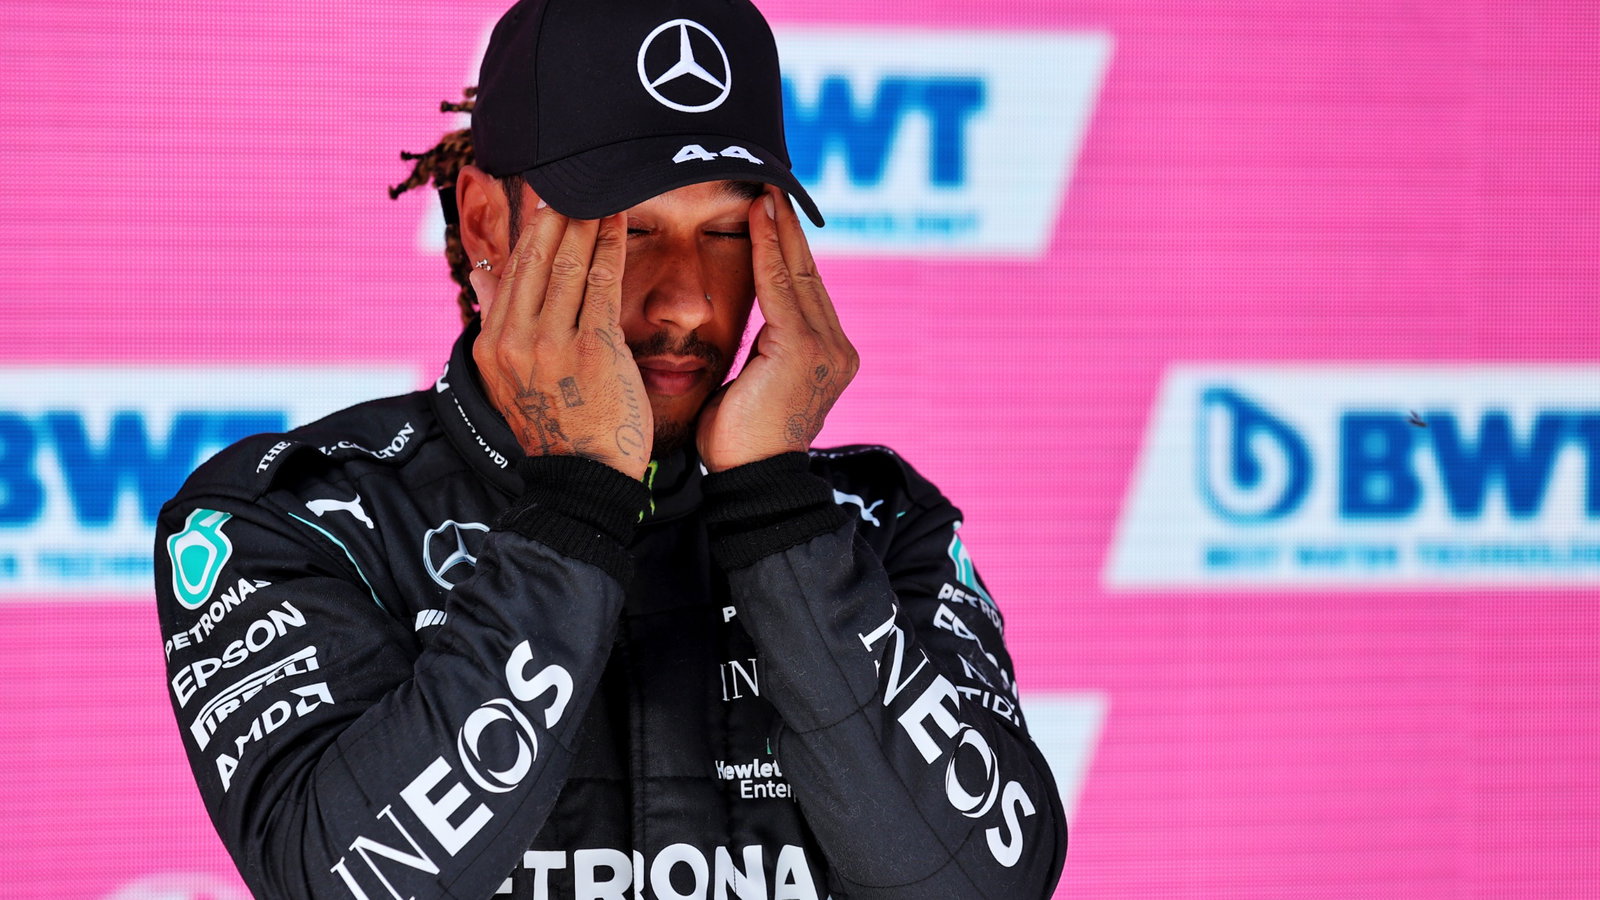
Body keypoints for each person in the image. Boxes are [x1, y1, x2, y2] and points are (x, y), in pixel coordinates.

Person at [153, 0, 1068, 897]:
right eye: (626, 230)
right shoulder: (295, 521)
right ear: (484, 223)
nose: (687, 303)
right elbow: (348, 880)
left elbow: (984, 883)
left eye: (725, 233)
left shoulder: (877, 524)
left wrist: (775, 512)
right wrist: (576, 502)